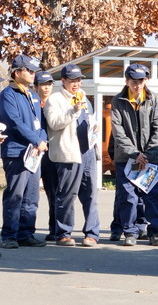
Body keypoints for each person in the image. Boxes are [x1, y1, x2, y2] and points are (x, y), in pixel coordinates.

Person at [44, 64, 101, 247]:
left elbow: (89, 118)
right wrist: (73, 111)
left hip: (88, 152)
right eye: (72, 80)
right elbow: (53, 123)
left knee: (91, 194)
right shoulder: (55, 99)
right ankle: (63, 233)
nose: (76, 84)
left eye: (78, 80)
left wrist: (95, 126)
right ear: (63, 81)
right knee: (67, 195)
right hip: (69, 153)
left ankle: (92, 233)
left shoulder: (84, 97)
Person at [110, 63, 158, 247]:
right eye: (134, 81)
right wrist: (134, 154)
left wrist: (147, 155)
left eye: (141, 80)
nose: (138, 85)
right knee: (128, 197)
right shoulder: (118, 101)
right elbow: (118, 132)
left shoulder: (155, 100)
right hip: (127, 159)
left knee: (152, 196)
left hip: (151, 158)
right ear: (127, 81)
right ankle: (130, 232)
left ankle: (155, 232)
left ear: (146, 80)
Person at [0, 54, 48, 249]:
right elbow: (15, 123)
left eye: (34, 70)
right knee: (16, 195)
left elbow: (41, 122)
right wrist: (37, 140)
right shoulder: (7, 95)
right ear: (17, 72)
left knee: (31, 196)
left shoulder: (33, 94)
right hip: (17, 152)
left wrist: (42, 139)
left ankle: (26, 233)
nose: (32, 73)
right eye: (29, 70)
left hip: (34, 153)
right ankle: (8, 235)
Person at [34, 70, 58, 242]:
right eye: (43, 84)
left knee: (53, 192)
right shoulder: (32, 103)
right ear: (36, 86)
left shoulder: (56, 103)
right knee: (30, 193)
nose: (46, 87)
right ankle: (24, 229)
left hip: (51, 153)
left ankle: (55, 228)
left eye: (49, 84)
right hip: (33, 152)